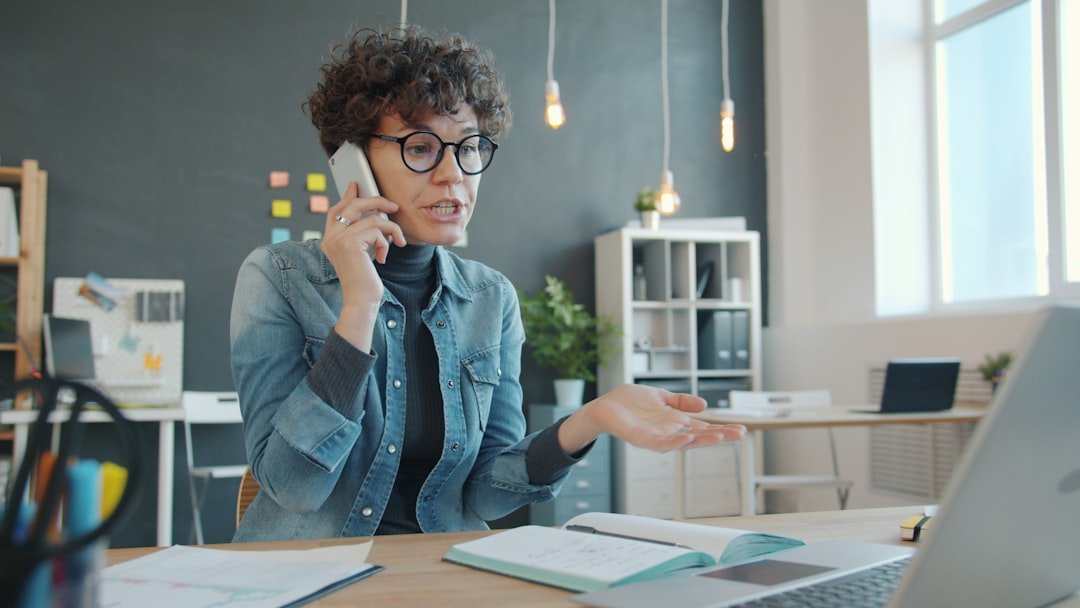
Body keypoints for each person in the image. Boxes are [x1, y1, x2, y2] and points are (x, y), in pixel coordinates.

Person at [229, 25, 745, 542]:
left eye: (469, 148)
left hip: (443, 569)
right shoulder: (278, 278)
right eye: (422, 148)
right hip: (306, 576)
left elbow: (485, 494)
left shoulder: (489, 298)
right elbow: (292, 486)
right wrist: (360, 305)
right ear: (353, 163)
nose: (454, 174)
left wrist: (591, 419)